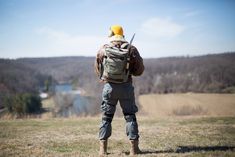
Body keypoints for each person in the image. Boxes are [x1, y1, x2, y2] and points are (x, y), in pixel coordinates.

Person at [95, 25, 144, 156]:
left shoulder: (103, 49)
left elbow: (98, 70)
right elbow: (139, 71)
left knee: (106, 117)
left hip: (109, 88)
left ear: (112, 34)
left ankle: (102, 150)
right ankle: (134, 149)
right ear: (122, 35)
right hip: (126, 87)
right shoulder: (131, 49)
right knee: (130, 117)